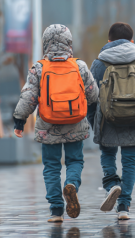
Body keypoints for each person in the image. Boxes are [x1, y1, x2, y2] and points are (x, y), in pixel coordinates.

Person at [13, 25, 99, 223]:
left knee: (51, 166)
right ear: (69, 43)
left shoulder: (40, 68)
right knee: (75, 161)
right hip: (75, 122)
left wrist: (19, 120)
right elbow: (93, 95)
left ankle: (56, 210)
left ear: (46, 43)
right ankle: (71, 185)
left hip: (48, 125)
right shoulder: (80, 66)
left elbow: (29, 96)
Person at [88, 22, 135, 220]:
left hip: (106, 121)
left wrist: (95, 121)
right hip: (134, 121)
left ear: (109, 41)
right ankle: (124, 206)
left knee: (108, 155)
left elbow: (90, 97)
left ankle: (112, 185)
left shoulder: (99, 63)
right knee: (130, 161)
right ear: (132, 41)